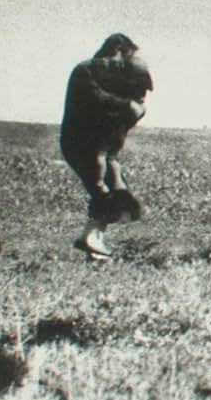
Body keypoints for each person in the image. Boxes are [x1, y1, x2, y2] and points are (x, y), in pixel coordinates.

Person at [60, 33, 153, 260]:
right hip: (86, 146)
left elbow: (128, 110)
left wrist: (131, 107)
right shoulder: (87, 72)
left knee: (118, 194)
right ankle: (91, 238)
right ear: (118, 50)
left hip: (102, 148)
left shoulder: (98, 74)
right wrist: (128, 106)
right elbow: (96, 98)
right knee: (103, 193)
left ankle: (94, 240)